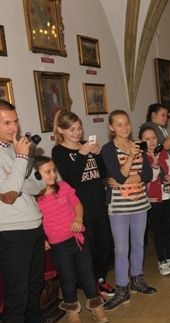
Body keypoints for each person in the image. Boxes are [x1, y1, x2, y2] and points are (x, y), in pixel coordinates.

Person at [0, 99, 71, 323]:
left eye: (15, 121)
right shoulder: (12, 153)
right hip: (10, 233)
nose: (14, 127)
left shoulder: (10, 150)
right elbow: (7, 194)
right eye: (7, 122)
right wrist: (20, 163)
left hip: (32, 226)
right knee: (16, 299)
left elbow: (35, 185)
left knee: (35, 287)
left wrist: (24, 167)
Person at [34, 156, 109, 323]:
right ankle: (72, 311)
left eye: (54, 170)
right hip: (58, 244)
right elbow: (36, 221)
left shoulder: (65, 188)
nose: (53, 175)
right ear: (36, 176)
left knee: (87, 273)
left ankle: (96, 306)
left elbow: (77, 205)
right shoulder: (35, 200)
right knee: (67, 278)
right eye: (47, 172)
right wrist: (43, 239)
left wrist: (79, 218)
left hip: (78, 240)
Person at [51, 110, 115, 300]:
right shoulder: (59, 151)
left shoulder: (86, 145)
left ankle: (100, 277)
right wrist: (81, 154)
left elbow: (102, 173)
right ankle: (92, 282)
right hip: (80, 206)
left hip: (99, 202)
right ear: (61, 130)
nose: (77, 133)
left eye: (79, 128)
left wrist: (97, 155)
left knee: (105, 246)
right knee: (89, 249)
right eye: (71, 130)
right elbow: (72, 180)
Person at [101, 110, 156, 311]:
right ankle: (122, 288)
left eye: (127, 123)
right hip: (119, 206)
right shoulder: (108, 150)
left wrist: (127, 178)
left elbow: (147, 174)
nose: (124, 128)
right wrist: (131, 159)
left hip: (140, 202)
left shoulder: (139, 145)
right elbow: (117, 174)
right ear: (111, 127)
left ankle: (137, 279)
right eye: (119, 124)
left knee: (139, 243)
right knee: (121, 248)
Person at [140, 127, 170, 276]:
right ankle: (162, 260)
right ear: (142, 141)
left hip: (168, 196)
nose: (151, 141)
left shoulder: (164, 152)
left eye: (154, 138)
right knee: (158, 230)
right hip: (154, 198)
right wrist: (155, 164)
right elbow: (150, 176)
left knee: (168, 228)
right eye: (147, 139)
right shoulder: (142, 156)